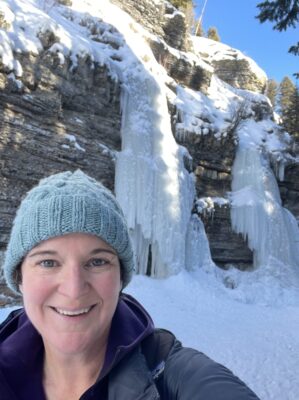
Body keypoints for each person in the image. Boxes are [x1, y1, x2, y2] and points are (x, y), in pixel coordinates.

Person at [0, 170, 260, 400]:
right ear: (19, 277)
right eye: (47, 262)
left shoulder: (171, 375)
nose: (74, 288)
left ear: (120, 278)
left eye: (98, 261)